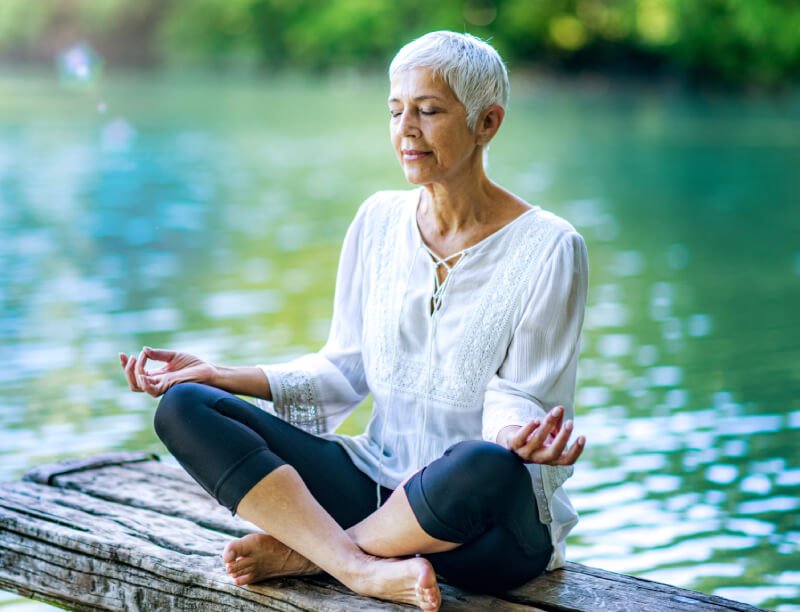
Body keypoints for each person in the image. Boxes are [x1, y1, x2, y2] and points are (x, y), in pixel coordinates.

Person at [119, 31, 588, 611]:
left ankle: (307, 554)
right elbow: (344, 371)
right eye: (396, 111)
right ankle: (356, 566)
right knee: (185, 408)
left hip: (484, 528)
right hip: (373, 485)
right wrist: (219, 375)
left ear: (487, 122)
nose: (406, 130)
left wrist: (519, 437)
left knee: (484, 462)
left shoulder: (550, 246)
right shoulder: (377, 222)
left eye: (429, 111)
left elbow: (519, 395)